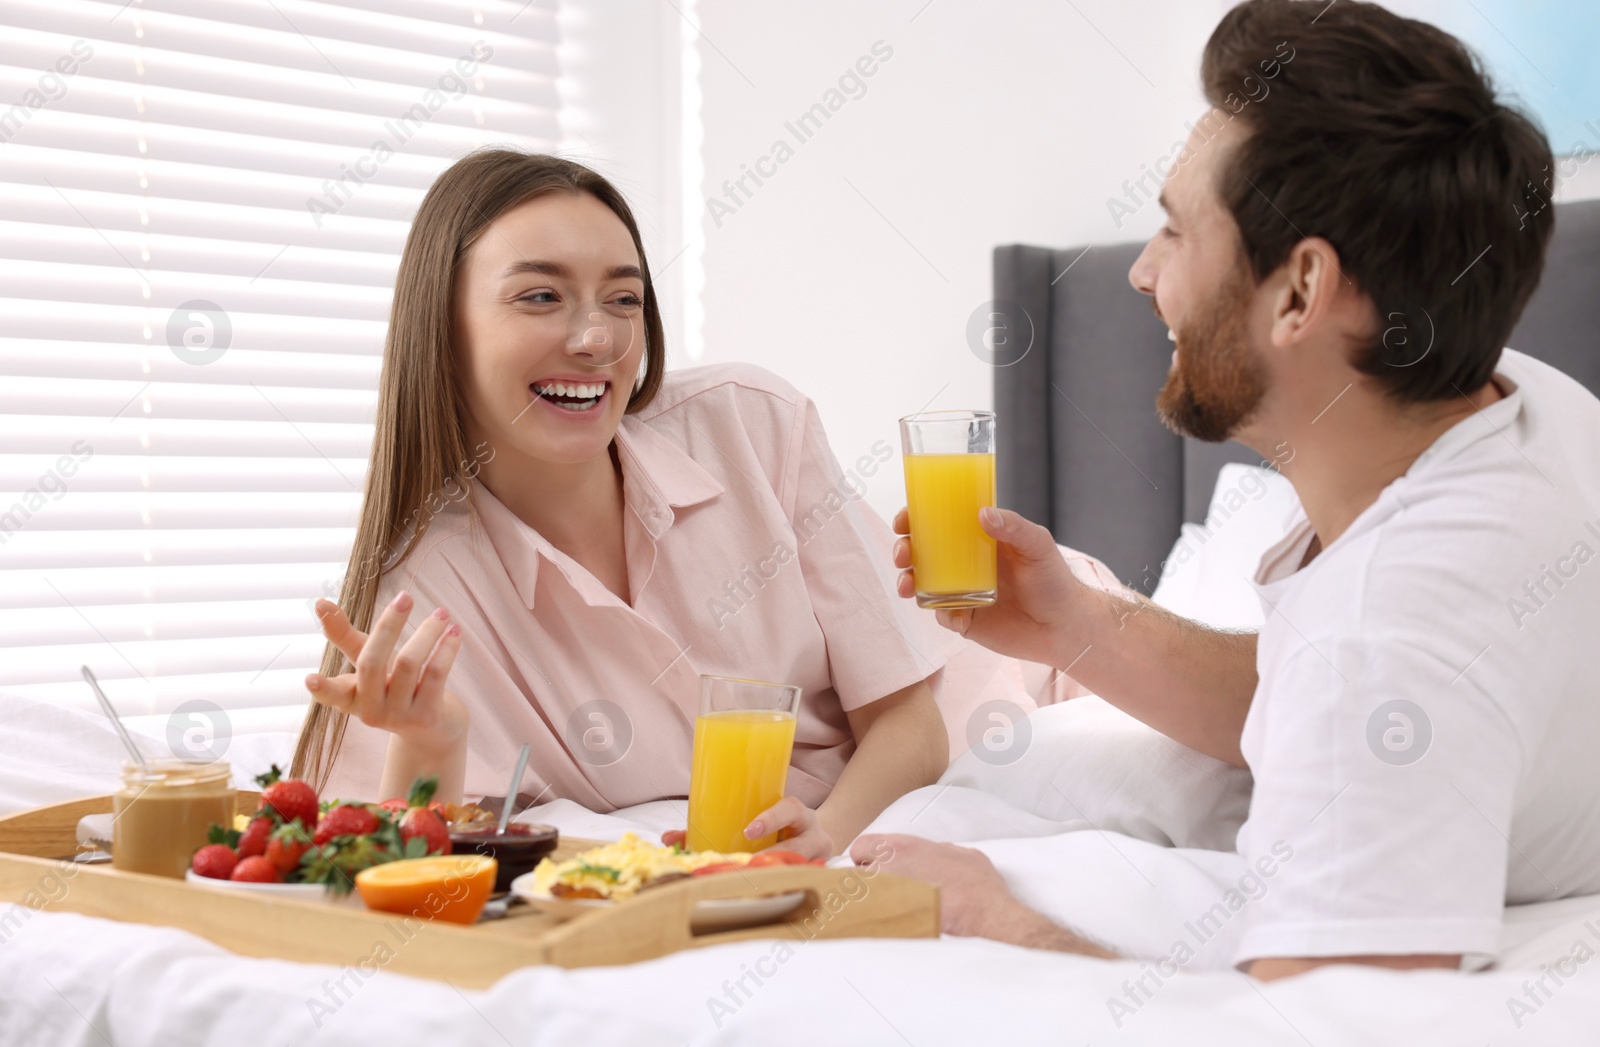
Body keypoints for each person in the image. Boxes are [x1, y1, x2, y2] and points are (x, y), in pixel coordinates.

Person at [855, 0, 1600, 978]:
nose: (1139, 272)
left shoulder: (1386, 631)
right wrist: (1076, 622)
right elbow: (1315, 696)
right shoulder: (1527, 403)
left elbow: (1328, 1032)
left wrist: (1003, 919)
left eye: (1172, 230)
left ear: (1297, 293)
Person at [290, 150, 1084, 859]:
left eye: (625, 300)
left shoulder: (751, 422)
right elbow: (399, 857)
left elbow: (911, 721)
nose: (596, 338)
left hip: (1044, 668)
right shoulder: (428, 588)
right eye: (540, 296)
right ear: (443, 327)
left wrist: (829, 837)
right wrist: (433, 739)